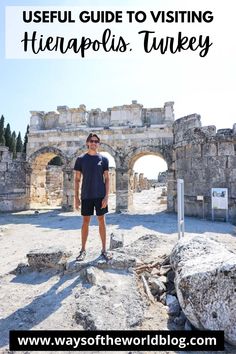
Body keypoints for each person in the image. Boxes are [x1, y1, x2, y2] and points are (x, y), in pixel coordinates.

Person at [74, 133, 111, 261]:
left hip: (100, 196)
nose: (94, 143)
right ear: (87, 143)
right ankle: (83, 250)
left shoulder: (104, 159)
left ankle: (104, 250)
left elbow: (107, 179)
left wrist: (106, 196)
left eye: (96, 141)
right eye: (91, 141)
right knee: (85, 222)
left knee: (102, 221)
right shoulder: (80, 159)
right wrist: (76, 197)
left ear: (98, 144)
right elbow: (77, 180)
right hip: (86, 195)